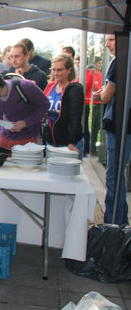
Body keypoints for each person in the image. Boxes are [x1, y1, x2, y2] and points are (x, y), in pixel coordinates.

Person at [93, 34, 130, 225]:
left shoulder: (119, 61)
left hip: (120, 127)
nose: (107, 44)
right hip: (122, 125)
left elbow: (107, 97)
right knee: (117, 175)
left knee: (113, 177)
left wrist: (101, 93)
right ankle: (120, 222)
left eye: (112, 40)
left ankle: (113, 225)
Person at [43, 54, 84, 157]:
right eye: (54, 70)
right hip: (50, 141)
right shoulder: (50, 86)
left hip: (67, 142)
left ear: (69, 70)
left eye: (60, 70)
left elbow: (76, 117)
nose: (56, 73)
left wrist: (72, 141)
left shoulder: (75, 89)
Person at [90, 57, 103, 155]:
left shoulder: (101, 75)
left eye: (101, 63)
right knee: (92, 125)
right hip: (92, 104)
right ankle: (90, 146)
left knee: (97, 126)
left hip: (100, 104)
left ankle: (93, 146)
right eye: (99, 63)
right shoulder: (92, 74)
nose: (100, 65)